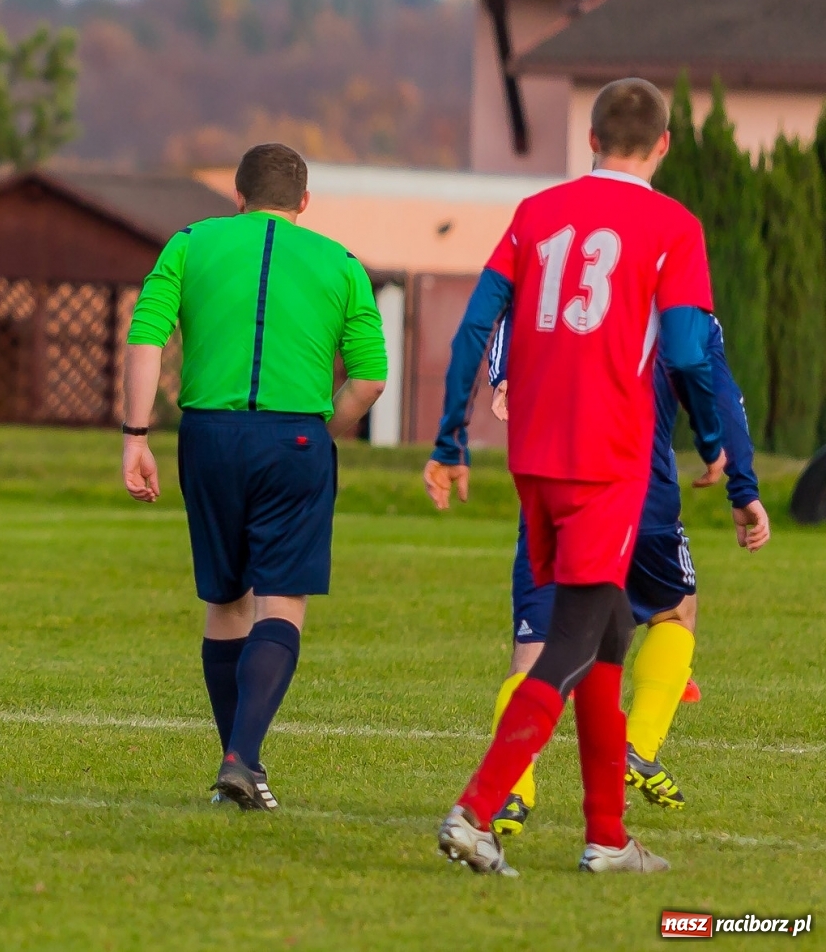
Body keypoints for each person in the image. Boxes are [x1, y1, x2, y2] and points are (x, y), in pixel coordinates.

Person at [425, 78, 725, 876]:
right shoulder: (673, 224)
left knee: (608, 636)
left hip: (536, 459)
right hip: (609, 460)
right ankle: (476, 809)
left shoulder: (535, 214)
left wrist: (450, 439)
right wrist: (718, 437)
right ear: (664, 145)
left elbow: (476, 327)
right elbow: (692, 350)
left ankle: (606, 836)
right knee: (573, 636)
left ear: (590, 139)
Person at [121, 143, 388, 810]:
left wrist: (135, 436)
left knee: (226, 602)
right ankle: (244, 757)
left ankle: (237, 765)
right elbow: (371, 377)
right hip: (294, 434)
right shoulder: (341, 262)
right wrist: (328, 431)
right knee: (281, 601)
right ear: (303, 204)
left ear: (237, 196)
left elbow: (146, 338)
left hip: (207, 433)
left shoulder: (189, 242)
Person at [482, 313, 769, 837]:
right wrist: (742, 485)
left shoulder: (560, 270)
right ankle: (639, 747)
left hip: (556, 489)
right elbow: (721, 395)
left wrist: (503, 374)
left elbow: (511, 302)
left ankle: (511, 790)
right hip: (641, 494)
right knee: (676, 611)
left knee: (536, 649)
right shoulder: (685, 304)